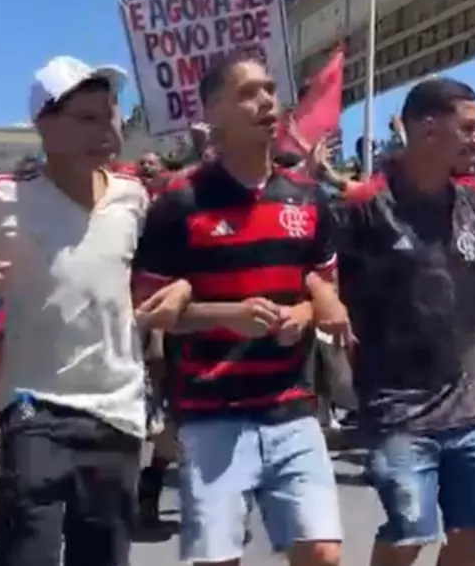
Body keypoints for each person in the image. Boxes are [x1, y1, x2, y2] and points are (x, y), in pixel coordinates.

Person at [0, 56, 190, 566]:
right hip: (34, 410)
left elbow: (162, 278)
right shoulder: (0, 200)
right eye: (87, 118)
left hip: (116, 415)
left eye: (110, 114)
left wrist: (180, 289)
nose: (107, 129)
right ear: (44, 125)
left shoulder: (134, 199)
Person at [132, 52, 345, 566]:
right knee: (216, 559)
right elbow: (144, 308)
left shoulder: (308, 197)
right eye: (248, 92)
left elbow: (321, 280)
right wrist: (223, 314)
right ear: (213, 113)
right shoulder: (179, 203)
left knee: (321, 552)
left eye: (270, 88)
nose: (267, 100)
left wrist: (307, 313)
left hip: (292, 405)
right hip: (211, 411)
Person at [336, 77, 475, 566]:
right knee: (409, 532)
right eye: (468, 127)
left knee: (473, 535)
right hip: (397, 410)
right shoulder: (364, 210)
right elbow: (318, 279)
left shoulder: (474, 206)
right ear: (425, 127)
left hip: (470, 405)